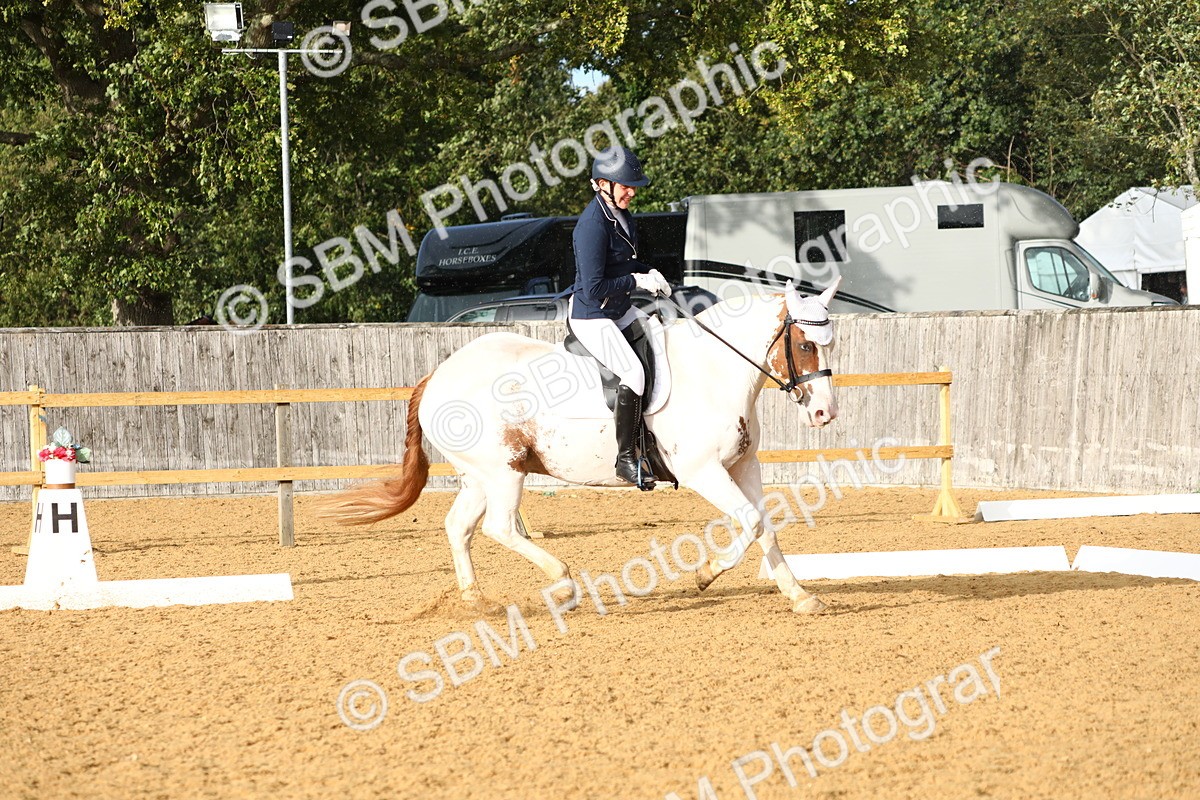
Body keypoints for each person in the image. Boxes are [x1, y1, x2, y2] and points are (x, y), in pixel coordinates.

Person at [569, 146, 671, 486]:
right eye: (625, 186)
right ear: (601, 184)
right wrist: (637, 281)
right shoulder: (591, 225)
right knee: (634, 372)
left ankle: (655, 442)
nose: (632, 191)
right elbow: (595, 286)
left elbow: (625, 264)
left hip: (618, 308)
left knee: (661, 336)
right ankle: (626, 459)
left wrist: (649, 271)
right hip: (593, 315)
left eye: (633, 186)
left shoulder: (621, 215)